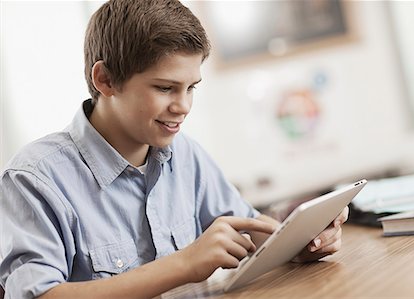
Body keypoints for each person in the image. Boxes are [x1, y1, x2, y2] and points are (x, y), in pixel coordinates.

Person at [0, 1, 349, 298]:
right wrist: (183, 265)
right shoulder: (34, 178)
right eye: (165, 88)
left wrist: (301, 242)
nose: (183, 106)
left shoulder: (186, 156)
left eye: (191, 87)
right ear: (105, 80)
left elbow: (249, 230)